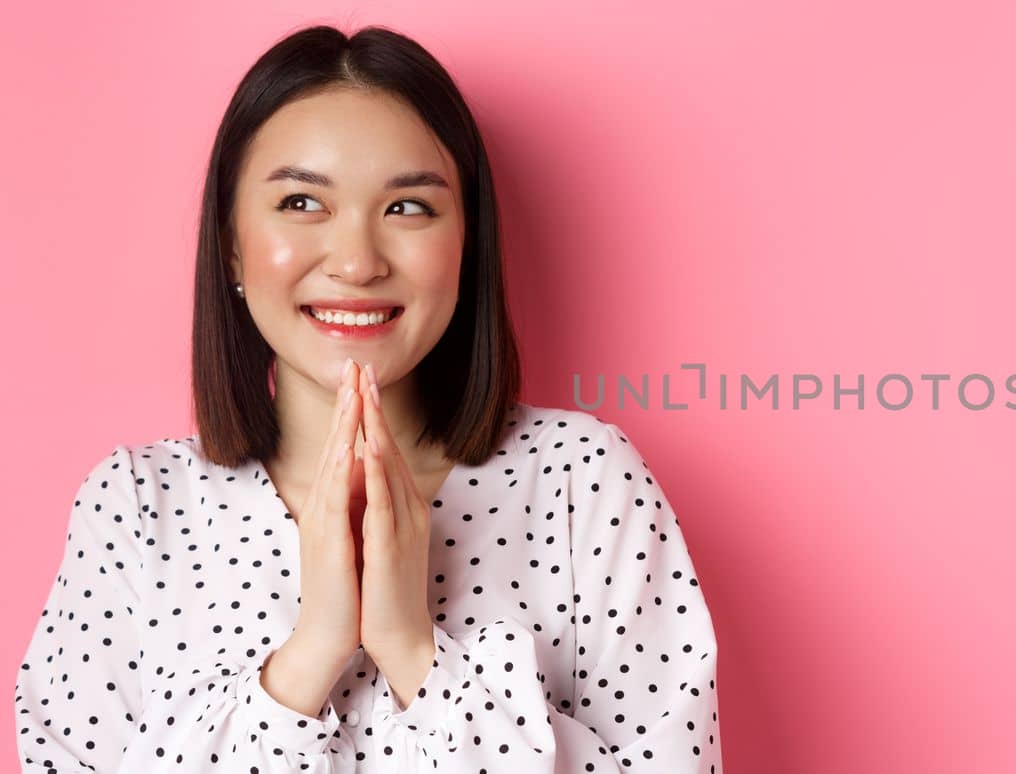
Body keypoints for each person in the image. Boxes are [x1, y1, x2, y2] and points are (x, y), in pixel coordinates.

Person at [12, 24, 722, 773]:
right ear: (230, 243)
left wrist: (416, 652)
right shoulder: (136, 506)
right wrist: (311, 652)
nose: (356, 262)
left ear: (466, 242)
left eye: (408, 208)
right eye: (300, 203)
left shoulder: (583, 482)